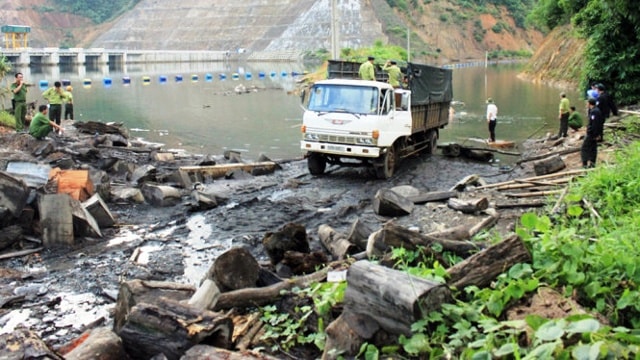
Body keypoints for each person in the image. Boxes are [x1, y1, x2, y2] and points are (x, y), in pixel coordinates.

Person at [581, 98, 604, 168]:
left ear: (589, 103)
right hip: (594, 134)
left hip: (592, 134)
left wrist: (594, 134)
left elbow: (595, 124)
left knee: (584, 148)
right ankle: (592, 163)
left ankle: (585, 164)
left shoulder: (595, 112)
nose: (586, 104)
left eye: (587, 103)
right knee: (593, 148)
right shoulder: (595, 110)